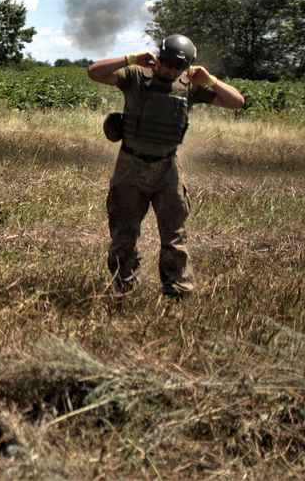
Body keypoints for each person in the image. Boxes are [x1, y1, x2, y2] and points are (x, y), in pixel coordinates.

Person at [87, 34, 245, 299]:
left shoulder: (190, 85)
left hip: (167, 171)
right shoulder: (137, 76)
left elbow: (236, 102)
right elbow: (94, 73)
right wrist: (130, 59)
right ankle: (123, 291)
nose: (173, 71)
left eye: (179, 67)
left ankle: (177, 296)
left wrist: (211, 81)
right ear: (158, 58)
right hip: (130, 167)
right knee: (123, 237)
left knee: (175, 238)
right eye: (168, 64)